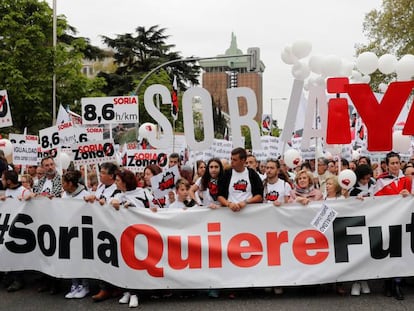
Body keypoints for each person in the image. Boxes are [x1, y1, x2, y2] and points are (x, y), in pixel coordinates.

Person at [374, 151, 411, 300]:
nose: (395, 166)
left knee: (400, 252)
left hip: (403, 220)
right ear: (387, 165)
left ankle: (397, 284)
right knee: (387, 252)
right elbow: (375, 201)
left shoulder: (408, 180)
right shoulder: (380, 181)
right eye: (392, 163)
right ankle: (387, 283)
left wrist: (408, 195)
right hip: (387, 220)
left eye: (397, 163)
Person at [61, 170, 90, 299]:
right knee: (71, 259)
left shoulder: (85, 195)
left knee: (82, 259)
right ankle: (74, 284)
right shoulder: (64, 195)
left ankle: (85, 285)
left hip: (81, 232)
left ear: (71, 184)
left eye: (63, 183)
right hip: (68, 231)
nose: (62, 185)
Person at [217, 147, 263, 212]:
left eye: (235, 160)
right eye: (231, 159)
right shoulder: (226, 174)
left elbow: (259, 196)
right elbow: (219, 196)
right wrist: (229, 204)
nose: (232, 162)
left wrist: (246, 202)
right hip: (230, 213)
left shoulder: (252, 174)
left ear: (243, 160)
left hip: (249, 212)